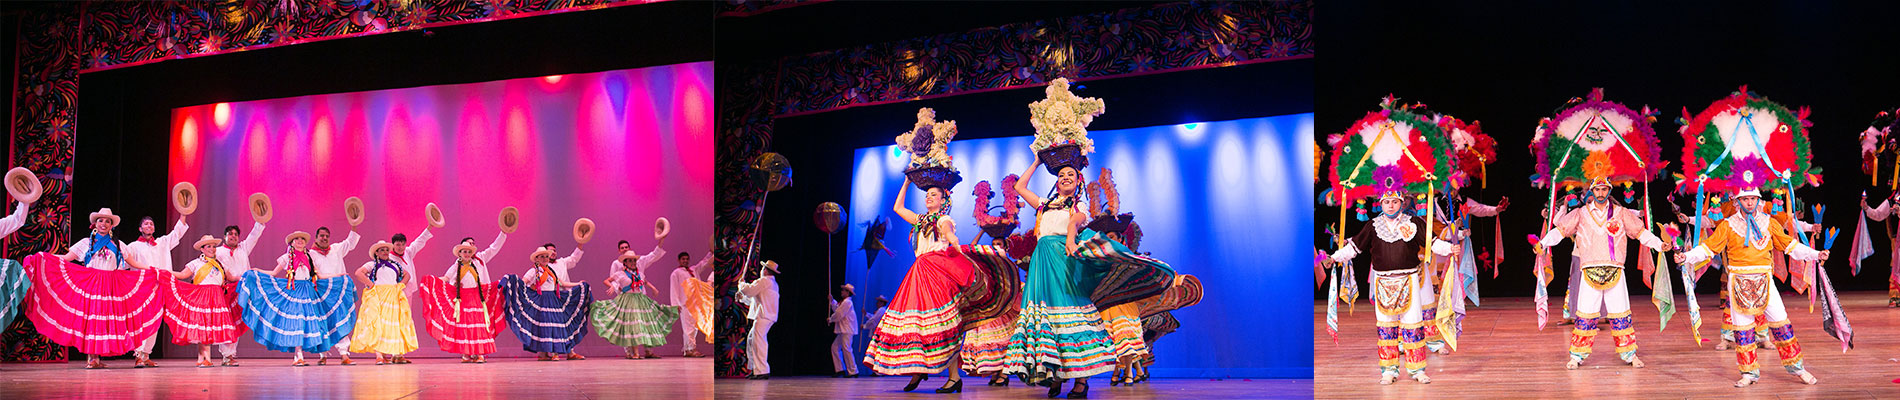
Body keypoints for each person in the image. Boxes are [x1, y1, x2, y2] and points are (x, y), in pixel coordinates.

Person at [1676, 187, 1828, 387]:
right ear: (1738, 201)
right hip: (1738, 280)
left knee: (1782, 324)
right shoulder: (1728, 225)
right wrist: (1686, 257)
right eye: (1745, 199)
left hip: (1765, 279)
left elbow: (1789, 245)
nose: (1749, 202)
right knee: (1743, 329)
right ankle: (1749, 373)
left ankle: (1798, 368)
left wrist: (1815, 255)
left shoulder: (1769, 223)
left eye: (1752, 199)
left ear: (1758, 200)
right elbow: (1708, 248)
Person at [1533, 178, 1669, 370]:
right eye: (1597, 189)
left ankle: (1630, 354)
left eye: (1604, 189)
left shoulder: (1621, 213)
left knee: (1621, 312)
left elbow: (1641, 233)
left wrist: (1659, 245)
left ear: (1609, 191)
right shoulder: (1581, 213)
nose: (1600, 193)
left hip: (1615, 269)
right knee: (1585, 313)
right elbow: (1560, 231)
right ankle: (1576, 356)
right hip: (1589, 269)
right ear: (1592, 191)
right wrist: (1543, 243)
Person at [1329, 188, 1458, 385]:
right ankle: (1389, 370)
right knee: (1386, 328)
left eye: (1395, 202)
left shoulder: (1413, 223)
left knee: (1413, 324)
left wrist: (1450, 248)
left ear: (1402, 203)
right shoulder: (1373, 226)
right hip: (1383, 282)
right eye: (1387, 202)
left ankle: (1417, 369)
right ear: (1381, 204)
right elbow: (1354, 248)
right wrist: (1334, 257)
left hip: (1409, 280)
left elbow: (1432, 243)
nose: (1391, 205)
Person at [29, 208, 166, 369]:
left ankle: (96, 358)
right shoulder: (86, 243)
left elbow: (134, 264)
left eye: (107, 221)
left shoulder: (119, 244)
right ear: (95, 223)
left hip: (111, 285)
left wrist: (154, 270)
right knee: (93, 318)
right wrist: (44, 257)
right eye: (101, 220)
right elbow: (67, 258)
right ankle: (92, 358)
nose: (104, 224)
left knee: (105, 320)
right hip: (92, 283)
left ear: (111, 225)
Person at [239, 231, 358, 366]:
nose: (300, 241)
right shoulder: (286, 257)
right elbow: (273, 272)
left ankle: (310, 355)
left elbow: (320, 275)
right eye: (297, 239)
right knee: (297, 323)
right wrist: (257, 271)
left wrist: (338, 275)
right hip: (295, 291)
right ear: (292, 242)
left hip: (308, 292)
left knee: (309, 323)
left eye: (302, 239)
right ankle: (298, 356)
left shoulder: (309, 256)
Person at [419, 230, 506, 364]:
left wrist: (503, 233)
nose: (467, 253)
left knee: (478, 325)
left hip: (477, 297)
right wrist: (433, 280)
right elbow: (447, 278)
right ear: (460, 253)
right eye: (464, 251)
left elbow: (494, 247)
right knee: (465, 325)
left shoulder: (479, 261)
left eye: (469, 250)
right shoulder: (456, 265)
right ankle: (466, 353)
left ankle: (480, 353)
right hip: (463, 299)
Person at [164, 235, 245, 368]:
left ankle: (201, 358)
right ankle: (206, 358)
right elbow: (183, 275)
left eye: (213, 246)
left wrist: (245, 276)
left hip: (217, 298)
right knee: (204, 327)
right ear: (202, 249)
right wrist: (167, 272)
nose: (212, 249)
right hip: (202, 297)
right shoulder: (195, 263)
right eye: (208, 246)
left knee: (211, 327)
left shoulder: (220, 263)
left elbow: (231, 277)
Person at [122, 215, 190, 367]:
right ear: (140, 229)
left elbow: (178, 232)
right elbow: (124, 263)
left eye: (151, 224)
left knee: (155, 320)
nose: (149, 226)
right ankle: (138, 354)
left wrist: (183, 213)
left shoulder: (162, 242)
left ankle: (146, 355)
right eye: (146, 224)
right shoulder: (133, 246)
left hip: (160, 286)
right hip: (141, 287)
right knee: (141, 320)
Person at [503, 243, 591, 361]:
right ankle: (549, 353)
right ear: (537, 259)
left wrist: (578, 284)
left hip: (553, 299)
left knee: (555, 325)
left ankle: (549, 353)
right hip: (541, 301)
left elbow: (562, 284)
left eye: (546, 256)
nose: (545, 259)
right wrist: (516, 283)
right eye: (542, 257)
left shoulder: (551, 271)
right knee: (545, 326)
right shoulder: (533, 271)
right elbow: (523, 282)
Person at [592, 242, 679, 359]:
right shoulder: (620, 273)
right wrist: (612, 286)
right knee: (631, 325)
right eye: (630, 261)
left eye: (634, 261)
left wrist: (653, 288)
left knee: (643, 324)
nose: (633, 263)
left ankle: (646, 351)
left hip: (640, 300)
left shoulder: (639, 273)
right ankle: (633, 352)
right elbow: (609, 280)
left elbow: (645, 281)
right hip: (628, 301)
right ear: (625, 262)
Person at [348, 241, 420, 365]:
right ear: (376, 253)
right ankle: (379, 354)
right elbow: (359, 273)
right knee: (378, 324)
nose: (385, 252)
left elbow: (407, 275)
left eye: (387, 250)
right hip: (379, 297)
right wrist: (371, 285)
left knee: (394, 325)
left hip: (392, 297)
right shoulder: (372, 264)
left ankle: (397, 354)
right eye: (382, 250)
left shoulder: (395, 265)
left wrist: (400, 285)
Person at [211, 222, 266, 366]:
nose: (233, 237)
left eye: (235, 234)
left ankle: (230, 355)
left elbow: (254, 235)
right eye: (230, 234)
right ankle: (226, 355)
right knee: (227, 322)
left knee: (237, 321)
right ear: (224, 237)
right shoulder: (218, 251)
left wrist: (260, 221)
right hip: (227, 290)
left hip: (243, 290)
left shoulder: (243, 248)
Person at [309, 226, 362, 365]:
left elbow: (350, 242)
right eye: (321, 236)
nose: (324, 238)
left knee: (341, 320)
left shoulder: (336, 249)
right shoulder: (310, 254)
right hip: (321, 293)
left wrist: (354, 224)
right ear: (316, 238)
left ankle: (344, 354)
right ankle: (323, 355)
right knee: (322, 322)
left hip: (338, 292)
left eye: (327, 236)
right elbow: (315, 275)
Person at [738, 260, 781, 379]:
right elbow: (755, 300)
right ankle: (754, 368)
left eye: (763, 269)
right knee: (752, 340)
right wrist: (742, 297)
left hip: (763, 316)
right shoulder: (772, 284)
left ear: (765, 270)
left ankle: (762, 370)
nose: (762, 270)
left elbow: (749, 290)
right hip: (767, 316)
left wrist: (741, 285)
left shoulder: (764, 281)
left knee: (759, 342)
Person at [671, 251, 714, 357]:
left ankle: (687, 349)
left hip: (695, 302)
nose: (685, 261)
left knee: (693, 327)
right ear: (679, 260)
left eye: (686, 259)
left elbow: (704, 262)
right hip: (685, 303)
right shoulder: (676, 273)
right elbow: (674, 289)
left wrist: (711, 252)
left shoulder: (693, 270)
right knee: (688, 328)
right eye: (683, 259)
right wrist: (675, 304)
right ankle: (691, 349)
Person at [828, 284, 858, 378]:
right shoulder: (844, 302)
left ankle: (853, 371)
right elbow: (837, 309)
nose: (842, 291)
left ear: (848, 293)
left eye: (844, 290)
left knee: (847, 349)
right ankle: (840, 369)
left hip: (847, 329)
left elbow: (839, 314)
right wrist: (832, 301)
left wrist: (831, 319)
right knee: (835, 347)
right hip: (843, 329)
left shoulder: (847, 302)